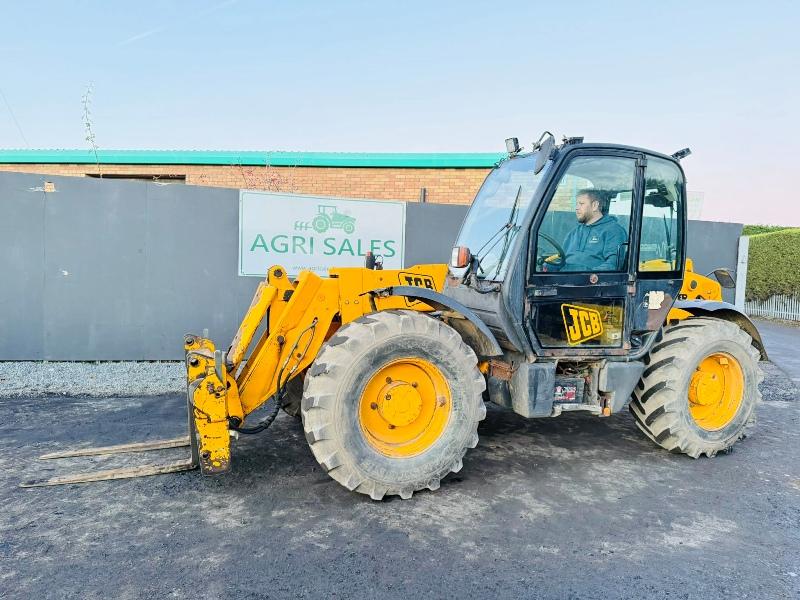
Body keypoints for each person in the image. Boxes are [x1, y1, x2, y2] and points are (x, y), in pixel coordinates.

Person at [551, 189, 628, 271]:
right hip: (563, 279)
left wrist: (586, 276)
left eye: (581, 204)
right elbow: (562, 259)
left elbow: (613, 264)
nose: (577, 208)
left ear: (595, 205)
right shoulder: (574, 233)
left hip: (591, 281)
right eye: (576, 204)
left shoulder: (613, 231)